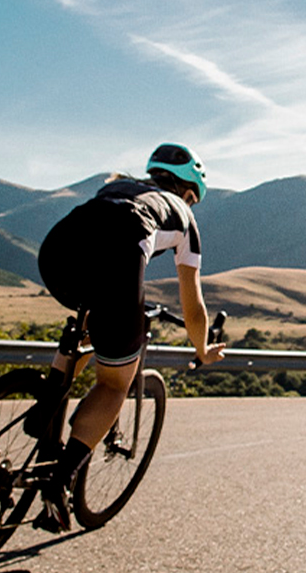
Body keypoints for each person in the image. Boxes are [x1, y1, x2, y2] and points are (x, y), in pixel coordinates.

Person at [33, 143, 225, 531]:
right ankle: (59, 481)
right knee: (114, 383)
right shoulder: (185, 217)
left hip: (58, 248)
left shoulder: (119, 187)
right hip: (121, 250)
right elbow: (193, 305)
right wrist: (202, 349)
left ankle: (47, 402)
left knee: (91, 322)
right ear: (189, 192)